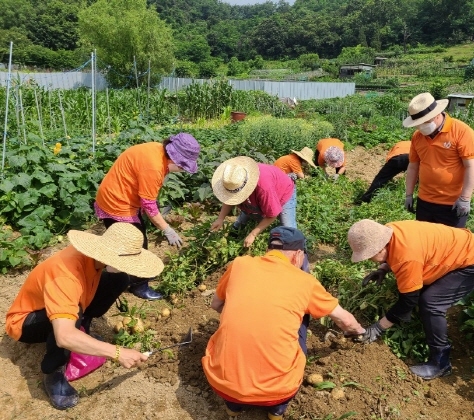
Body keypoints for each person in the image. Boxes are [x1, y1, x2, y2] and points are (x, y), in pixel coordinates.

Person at [202, 226, 365, 419]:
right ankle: (276, 411)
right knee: (303, 315)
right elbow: (345, 320)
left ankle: (233, 408)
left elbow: (216, 304)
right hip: (277, 392)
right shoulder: (305, 282)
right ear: (297, 254)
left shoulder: (240, 264)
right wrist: (359, 331)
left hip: (222, 384)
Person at [5, 223, 164, 410]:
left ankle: (82, 327)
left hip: (67, 302)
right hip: (24, 322)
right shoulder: (66, 276)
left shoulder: (92, 259)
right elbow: (64, 336)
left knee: (118, 280)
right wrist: (118, 352)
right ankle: (54, 372)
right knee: (71, 320)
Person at [346, 219, 474, 380]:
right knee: (417, 289)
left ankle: (440, 363)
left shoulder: (407, 256)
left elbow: (408, 301)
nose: (369, 259)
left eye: (370, 255)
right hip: (460, 249)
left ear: (381, 247)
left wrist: (378, 328)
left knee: (431, 303)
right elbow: (396, 254)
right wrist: (383, 268)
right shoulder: (389, 231)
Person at [94, 133, 200, 300]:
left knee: (131, 240)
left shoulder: (158, 150)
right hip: (116, 202)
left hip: (122, 197)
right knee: (137, 245)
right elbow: (149, 204)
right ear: (174, 159)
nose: (181, 170)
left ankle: (123, 277)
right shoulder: (154, 166)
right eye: (182, 167)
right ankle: (136, 285)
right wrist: (167, 229)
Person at [403, 92, 474, 228]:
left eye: (424, 122)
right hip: (424, 201)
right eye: (417, 124)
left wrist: (465, 198)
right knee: (426, 241)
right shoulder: (417, 137)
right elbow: (413, 166)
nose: (420, 127)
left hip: (452, 203)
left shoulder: (461, 131)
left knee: (450, 244)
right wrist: (409, 194)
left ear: (436, 114)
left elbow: (470, 166)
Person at [210, 156, 296, 248]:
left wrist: (253, 234)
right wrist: (220, 218)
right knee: (244, 217)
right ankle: (233, 235)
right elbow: (228, 199)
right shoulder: (234, 179)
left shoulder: (264, 188)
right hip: (262, 190)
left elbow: (272, 215)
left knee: (288, 227)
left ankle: (296, 249)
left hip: (284, 190)